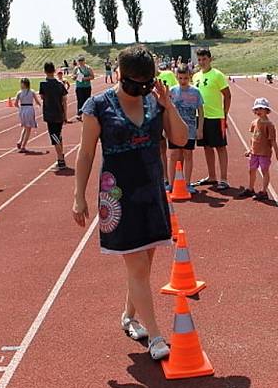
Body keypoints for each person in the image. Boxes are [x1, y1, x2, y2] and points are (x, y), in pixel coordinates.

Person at [72, 45, 188, 361]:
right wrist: (78, 196)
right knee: (136, 265)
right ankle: (156, 337)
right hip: (119, 196)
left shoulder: (155, 100)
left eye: (146, 84)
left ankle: (128, 316)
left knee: (143, 266)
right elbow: (85, 153)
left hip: (151, 193)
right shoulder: (97, 106)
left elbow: (180, 139)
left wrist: (167, 103)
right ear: (120, 75)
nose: (140, 90)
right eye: (134, 84)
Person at [192, 48, 231, 190]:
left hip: (216, 117)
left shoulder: (217, 75)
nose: (202, 62)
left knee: (220, 147)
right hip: (201, 117)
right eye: (200, 60)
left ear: (210, 59)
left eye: (204, 59)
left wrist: (225, 113)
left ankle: (224, 178)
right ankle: (212, 176)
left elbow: (227, 95)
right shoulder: (195, 76)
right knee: (207, 147)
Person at [238, 97, 278, 200]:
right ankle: (250, 188)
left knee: (264, 170)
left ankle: (264, 191)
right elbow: (253, 137)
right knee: (251, 170)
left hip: (264, 153)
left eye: (261, 109)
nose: (258, 111)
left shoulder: (269, 125)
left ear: (267, 110)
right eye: (256, 109)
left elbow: (273, 140)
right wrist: (250, 149)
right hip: (254, 152)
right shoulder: (254, 123)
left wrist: (277, 153)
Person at [168, 66, 204, 192]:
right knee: (174, 155)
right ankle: (171, 184)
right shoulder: (172, 91)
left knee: (188, 154)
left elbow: (201, 111)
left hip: (190, 129)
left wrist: (200, 129)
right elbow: (167, 110)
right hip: (175, 130)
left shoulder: (195, 92)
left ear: (190, 77)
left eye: (186, 78)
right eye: (180, 78)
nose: (183, 81)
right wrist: (166, 128)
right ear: (177, 77)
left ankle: (188, 183)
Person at [39, 61, 68, 169]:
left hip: (50, 114)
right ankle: (61, 157)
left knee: (54, 137)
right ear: (54, 70)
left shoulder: (43, 85)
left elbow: (42, 97)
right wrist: (65, 115)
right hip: (59, 113)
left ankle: (61, 160)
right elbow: (64, 100)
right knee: (58, 135)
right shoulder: (60, 85)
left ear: (45, 71)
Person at [15, 78, 41, 152]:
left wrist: (20, 108)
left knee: (25, 127)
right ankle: (23, 146)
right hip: (29, 109)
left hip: (22, 109)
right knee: (28, 128)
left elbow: (16, 104)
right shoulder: (31, 92)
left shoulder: (19, 93)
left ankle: (20, 141)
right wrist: (40, 105)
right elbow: (37, 101)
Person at [73, 55, 94, 120]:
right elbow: (73, 76)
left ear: (84, 61)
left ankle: (87, 113)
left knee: (87, 100)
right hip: (79, 87)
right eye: (79, 61)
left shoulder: (88, 68)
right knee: (80, 100)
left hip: (87, 86)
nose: (81, 62)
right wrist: (74, 77)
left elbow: (92, 76)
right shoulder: (76, 68)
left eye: (82, 60)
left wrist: (85, 78)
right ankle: (79, 114)